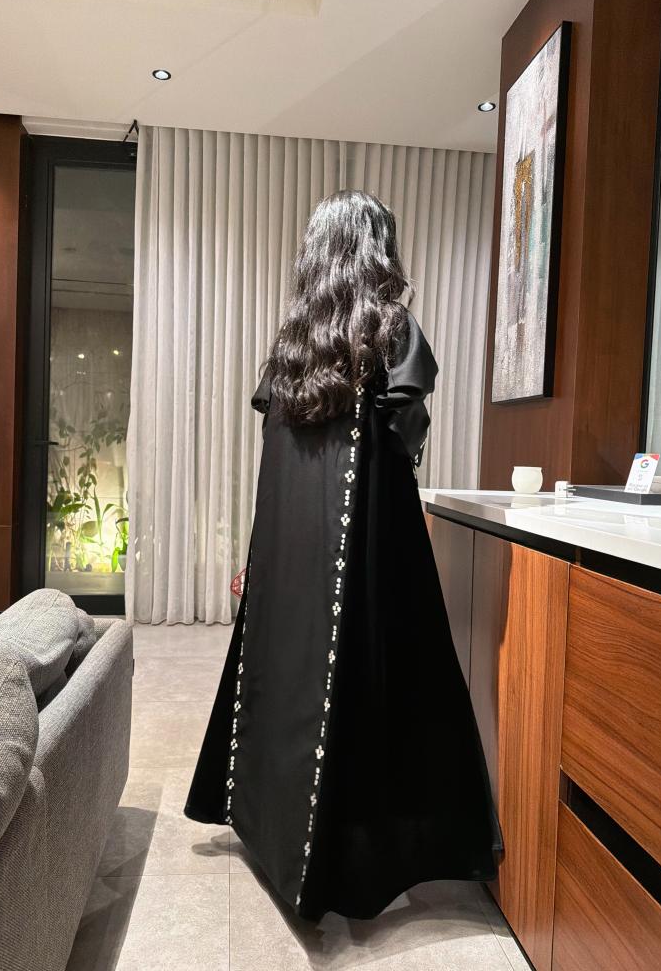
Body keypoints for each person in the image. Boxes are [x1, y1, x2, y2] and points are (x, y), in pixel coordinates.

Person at [185, 190, 502, 921]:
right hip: (373, 554)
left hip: (291, 560)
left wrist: (260, 560)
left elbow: (276, 466)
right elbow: (404, 435)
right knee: (390, 684)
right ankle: (374, 850)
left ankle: (269, 823)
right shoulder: (391, 332)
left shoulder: (294, 347)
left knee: (284, 676)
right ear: (378, 250)